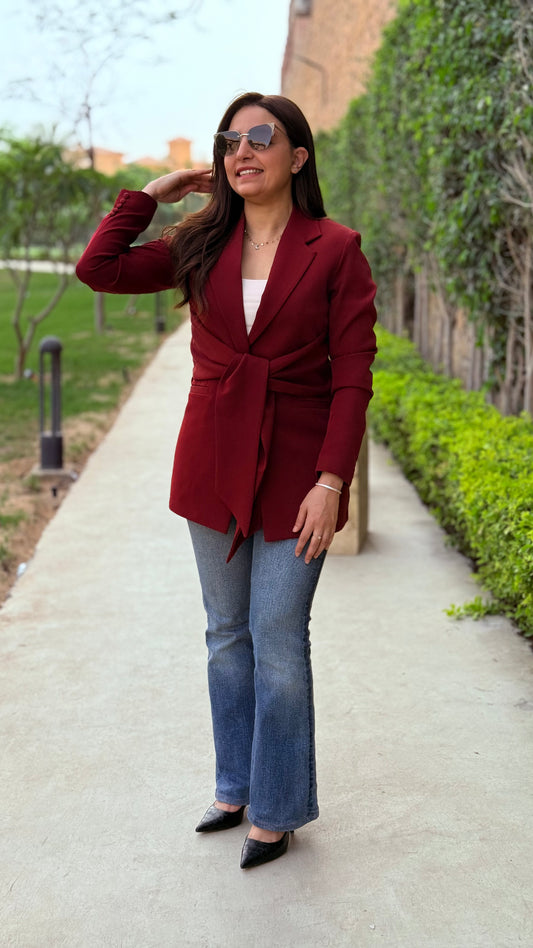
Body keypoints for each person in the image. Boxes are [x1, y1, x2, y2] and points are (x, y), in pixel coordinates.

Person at [76, 91, 377, 870]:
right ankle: (235, 785)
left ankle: (276, 809)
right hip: (212, 458)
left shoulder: (334, 247)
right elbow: (98, 269)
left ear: (297, 157)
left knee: (277, 637)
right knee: (225, 635)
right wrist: (150, 194)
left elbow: (353, 377)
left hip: (296, 467)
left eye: (259, 138)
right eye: (228, 141)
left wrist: (331, 480)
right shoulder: (200, 241)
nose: (241, 152)